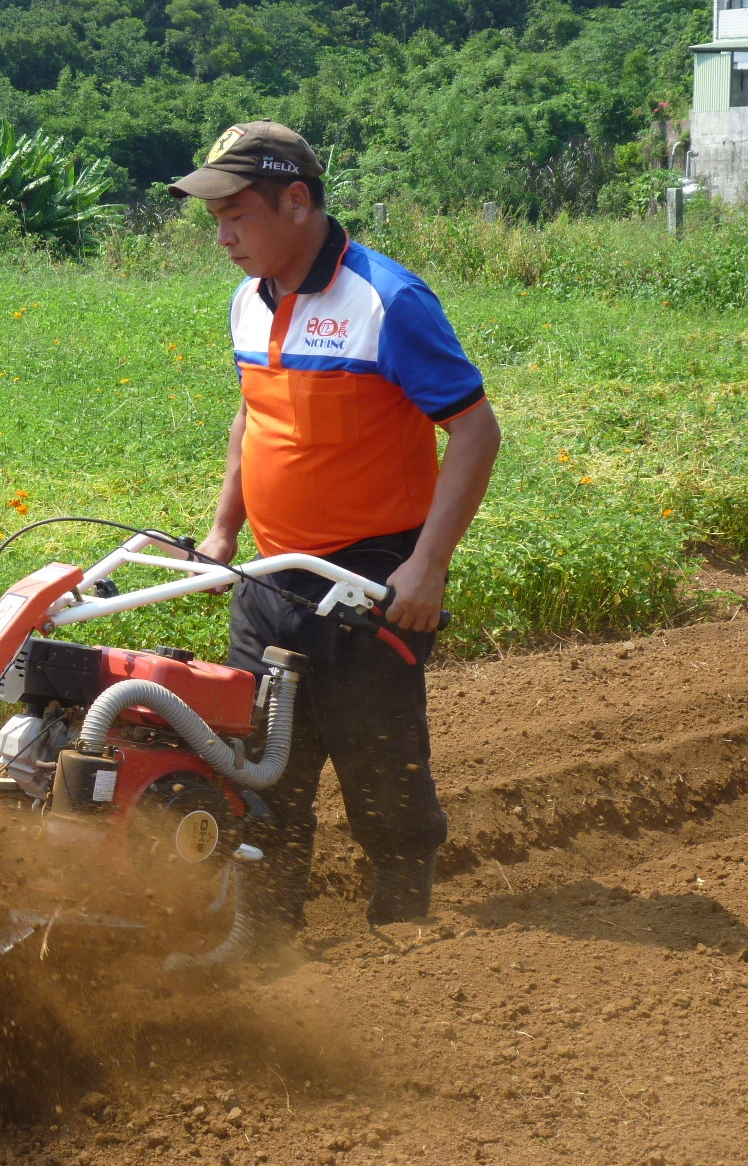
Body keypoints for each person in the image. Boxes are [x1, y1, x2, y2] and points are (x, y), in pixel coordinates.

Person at [168, 121, 501, 934]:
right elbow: (254, 418)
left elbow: (476, 430)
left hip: (369, 577)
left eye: (237, 216)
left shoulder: (386, 300)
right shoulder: (249, 301)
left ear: (296, 201)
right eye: (215, 219)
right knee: (260, 776)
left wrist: (426, 566)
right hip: (272, 574)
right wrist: (221, 534)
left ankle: (404, 931)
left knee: (378, 766)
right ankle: (266, 950)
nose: (223, 237)